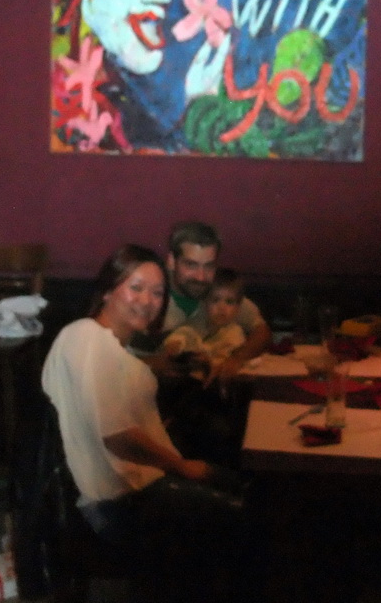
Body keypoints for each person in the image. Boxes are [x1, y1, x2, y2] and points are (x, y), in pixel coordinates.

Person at [40, 244, 248, 601]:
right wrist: (182, 466)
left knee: (244, 485)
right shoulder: (89, 338)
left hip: (124, 489)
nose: (148, 301)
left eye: (157, 292)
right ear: (107, 290)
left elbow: (106, 396)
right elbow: (117, 436)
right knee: (252, 513)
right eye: (135, 288)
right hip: (117, 504)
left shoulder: (97, 341)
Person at [163, 221, 272, 382]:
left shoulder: (215, 290)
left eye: (208, 266)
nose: (201, 277)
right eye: (191, 265)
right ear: (171, 261)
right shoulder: (151, 294)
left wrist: (236, 359)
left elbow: (261, 331)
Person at [162, 267, 248, 374]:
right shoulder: (196, 324)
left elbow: (233, 361)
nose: (222, 308)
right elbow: (183, 335)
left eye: (229, 302)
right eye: (215, 300)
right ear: (205, 303)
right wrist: (174, 345)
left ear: (238, 308)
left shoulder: (235, 334)